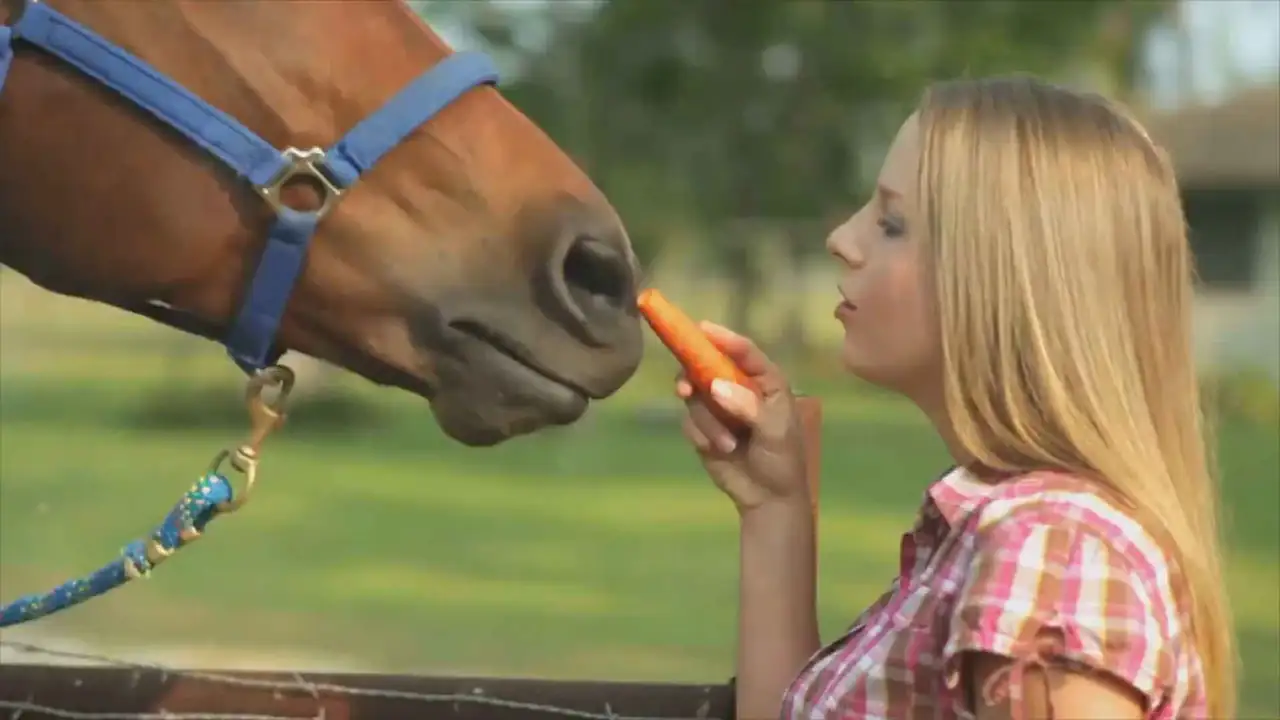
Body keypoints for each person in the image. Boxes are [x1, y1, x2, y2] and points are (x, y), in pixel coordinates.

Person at [675, 75, 1234, 720]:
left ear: (1006, 274)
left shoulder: (1051, 549)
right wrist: (775, 507)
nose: (843, 240)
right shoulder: (992, 532)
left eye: (889, 223)